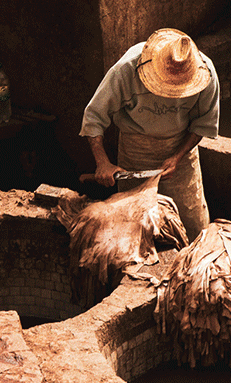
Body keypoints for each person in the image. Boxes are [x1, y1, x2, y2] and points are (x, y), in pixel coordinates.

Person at [80, 29, 219, 240]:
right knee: (134, 226)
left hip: (180, 152)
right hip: (135, 150)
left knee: (192, 224)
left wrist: (177, 156)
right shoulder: (126, 69)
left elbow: (203, 124)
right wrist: (102, 163)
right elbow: (94, 117)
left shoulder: (206, 73)